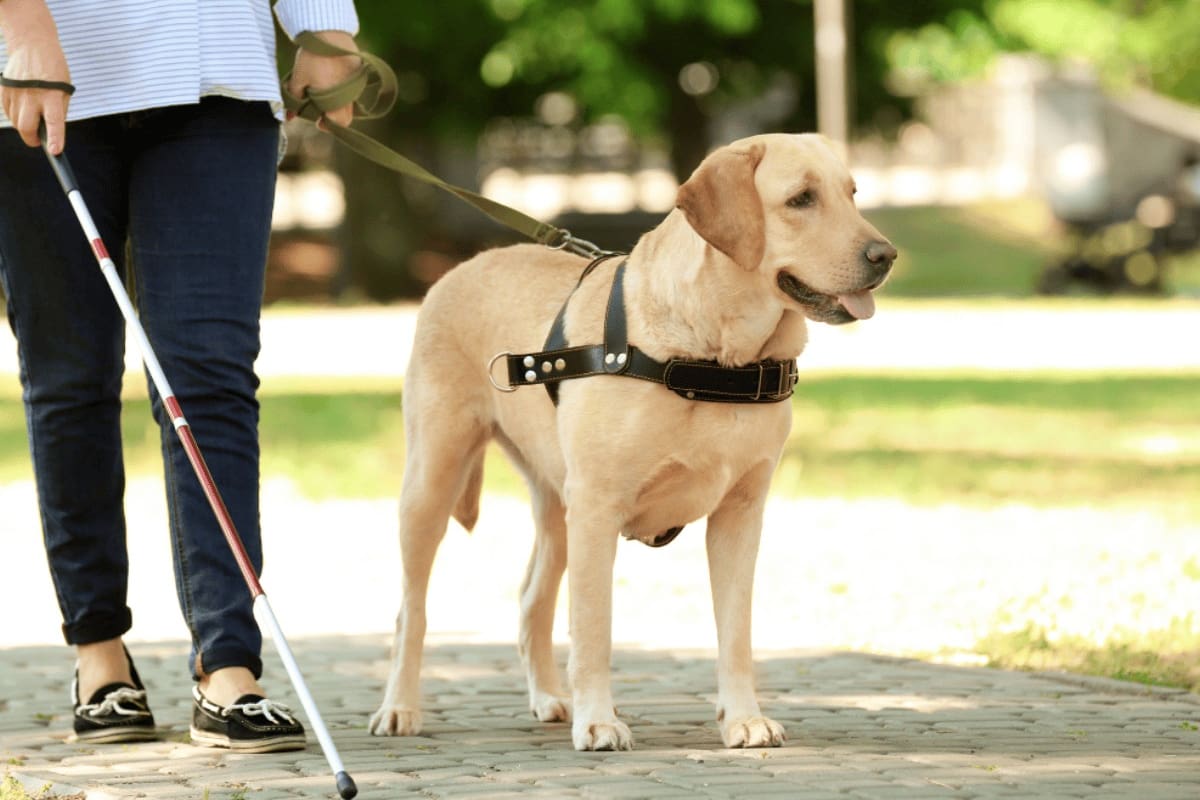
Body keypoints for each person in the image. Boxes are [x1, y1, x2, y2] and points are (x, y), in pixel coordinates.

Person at [0, 0, 361, 752]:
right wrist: (22, 26)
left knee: (209, 376)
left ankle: (228, 665)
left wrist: (325, 28)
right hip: (38, 70)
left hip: (212, 75)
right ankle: (99, 657)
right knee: (71, 377)